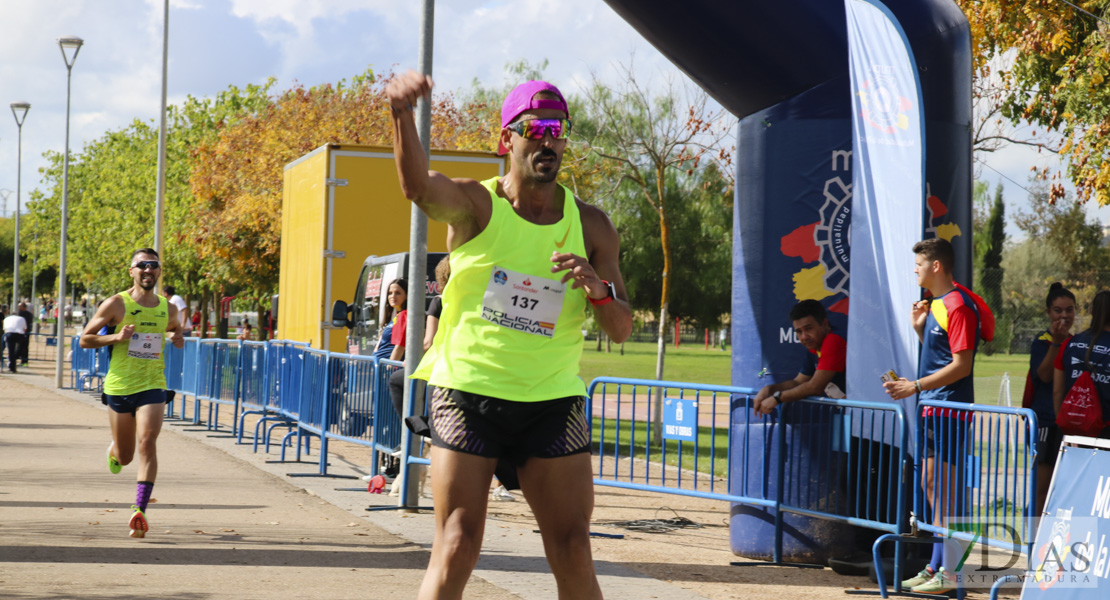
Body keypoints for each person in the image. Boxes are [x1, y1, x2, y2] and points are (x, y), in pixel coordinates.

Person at [387, 72, 632, 599]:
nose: (548, 138)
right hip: (468, 393)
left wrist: (598, 289)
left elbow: (621, 328)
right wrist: (402, 116)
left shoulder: (592, 227)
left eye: (558, 129)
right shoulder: (478, 205)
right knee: (458, 542)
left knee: (573, 547)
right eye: (535, 127)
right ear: (508, 140)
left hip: (551, 400)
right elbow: (417, 187)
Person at [884, 237, 989, 595]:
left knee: (945, 494)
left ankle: (953, 572)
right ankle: (935, 565)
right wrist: (919, 329)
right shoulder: (937, 304)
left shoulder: (957, 304)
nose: (915, 269)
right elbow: (943, 354)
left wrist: (914, 386)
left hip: (949, 411)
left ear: (937, 266)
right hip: (933, 408)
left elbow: (962, 365)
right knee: (932, 487)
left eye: (919, 264)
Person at [80, 248, 185, 539]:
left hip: (153, 385)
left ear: (159, 271)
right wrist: (116, 337)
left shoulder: (168, 308)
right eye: (142, 266)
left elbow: (176, 330)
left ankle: (139, 509)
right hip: (119, 387)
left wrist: (177, 338)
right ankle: (113, 451)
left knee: (148, 441)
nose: (148, 270)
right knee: (126, 456)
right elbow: (85, 339)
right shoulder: (116, 304)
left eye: (153, 265)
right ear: (132, 271)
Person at [752, 299, 847, 416]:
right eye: (798, 331)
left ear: (825, 324)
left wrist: (777, 398)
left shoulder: (834, 340)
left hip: (867, 416)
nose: (804, 336)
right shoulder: (814, 348)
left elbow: (815, 387)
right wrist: (769, 390)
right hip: (854, 415)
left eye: (808, 328)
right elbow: (798, 382)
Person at [1029, 283, 1075, 514]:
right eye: (1058, 310)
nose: (1064, 315)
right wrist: (1057, 343)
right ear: (1048, 312)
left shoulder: (1077, 342)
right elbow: (1044, 375)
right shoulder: (1042, 341)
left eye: (1069, 310)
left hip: (1070, 424)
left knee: (1064, 489)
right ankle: (1031, 544)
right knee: (1041, 489)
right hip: (1047, 422)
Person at [1054, 289, 1110, 439]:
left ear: (1092, 311)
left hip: (1074, 427)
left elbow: (1057, 391)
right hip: (1105, 430)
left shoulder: (1069, 343)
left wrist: (1063, 423)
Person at [372, 279, 408, 362]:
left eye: (398, 293)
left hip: (388, 369)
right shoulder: (397, 316)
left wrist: (390, 366)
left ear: (406, 295)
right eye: (390, 293)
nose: (393, 296)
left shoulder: (404, 315)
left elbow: (400, 346)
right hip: (380, 367)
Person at [3, 309, 28, 373]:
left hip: (9, 334)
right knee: (22, 347)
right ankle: (17, 356)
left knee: (10, 351)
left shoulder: (6, 319)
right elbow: (25, 329)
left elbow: (4, 329)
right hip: (19, 334)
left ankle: (12, 366)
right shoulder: (22, 318)